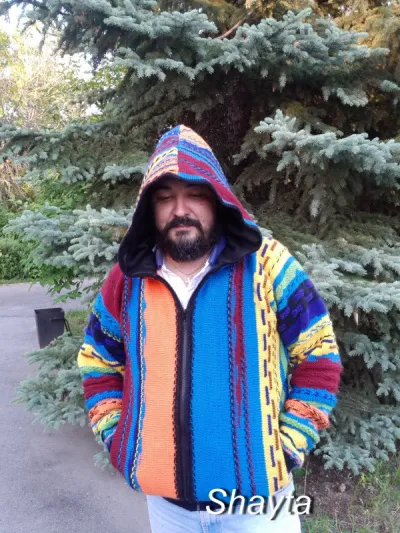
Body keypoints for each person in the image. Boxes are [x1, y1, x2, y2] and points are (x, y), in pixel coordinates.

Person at [77, 125, 342, 533]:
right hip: (168, 510)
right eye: (165, 197)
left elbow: (319, 355)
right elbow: (98, 362)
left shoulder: (268, 265)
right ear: (150, 207)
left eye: (195, 194)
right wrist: (117, 438)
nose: (180, 209)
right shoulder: (127, 280)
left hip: (259, 507)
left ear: (217, 199)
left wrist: (287, 446)